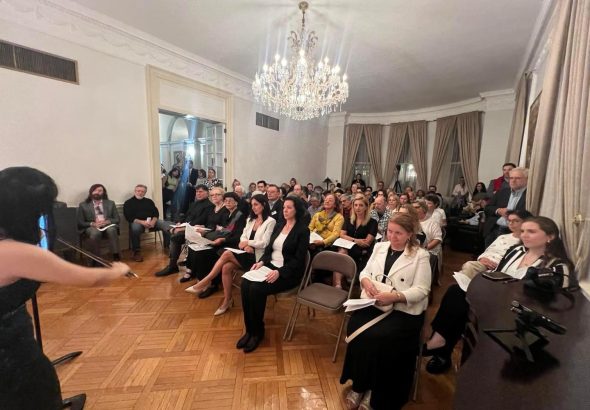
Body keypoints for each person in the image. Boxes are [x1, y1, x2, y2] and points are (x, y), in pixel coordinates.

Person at [0, 167, 130, 409]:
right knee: (35, 392)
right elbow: (90, 279)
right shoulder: (15, 251)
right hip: (8, 350)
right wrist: (118, 269)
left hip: (14, 330)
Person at [423, 216, 574, 374]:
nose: (524, 235)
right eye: (523, 231)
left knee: (459, 303)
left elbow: (552, 303)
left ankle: (441, 348)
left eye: (531, 231)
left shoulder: (557, 266)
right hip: (495, 298)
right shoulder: (516, 251)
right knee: (456, 292)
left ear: (550, 237)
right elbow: (496, 273)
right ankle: (440, 343)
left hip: (518, 313)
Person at [340, 214, 431, 410]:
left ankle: (376, 390)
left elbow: (422, 290)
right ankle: (360, 383)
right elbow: (365, 272)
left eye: (398, 233)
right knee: (355, 327)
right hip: (375, 303)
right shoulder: (380, 247)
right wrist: (366, 282)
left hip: (403, 309)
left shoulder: (420, 256)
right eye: (389, 231)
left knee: (382, 338)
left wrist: (395, 296)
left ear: (410, 234)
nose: (392, 236)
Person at [237, 197, 310, 353]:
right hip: (270, 266)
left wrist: (279, 272)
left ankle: (258, 333)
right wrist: (262, 262)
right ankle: (249, 330)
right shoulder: (280, 225)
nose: (285, 210)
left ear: (297, 210)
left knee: (256, 289)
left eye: (289, 207)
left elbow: (298, 260)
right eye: (284, 207)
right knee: (245, 284)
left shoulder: (303, 230)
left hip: (288, 273)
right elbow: (269, 250)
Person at [187, 194, 276, 315]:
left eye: (256, 205)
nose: (253, 207)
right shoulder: (250, 219)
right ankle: (227, 300)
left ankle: (205, 281)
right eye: (252, 205)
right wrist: (245, 245)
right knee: (226, 267)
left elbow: (265, 242)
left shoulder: (270, 221)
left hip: (258, 258)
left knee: (227, 254)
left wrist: (248, 243)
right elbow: (243, 236)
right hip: (246, 252)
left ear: (264, 205)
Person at [184, 191, 246, 297]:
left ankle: (212, 284)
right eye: (226, 201)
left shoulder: (239, 215)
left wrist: (223, 239)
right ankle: (201, 280)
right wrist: (207, 233)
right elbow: (219, 229)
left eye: (230, 201)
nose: (227, 202)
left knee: (206, 253)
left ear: (236, 202)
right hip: (222, 241)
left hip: (232, 244)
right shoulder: (227, 213)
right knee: (195, 250)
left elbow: (237, 236)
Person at [154, 184, 214, 277]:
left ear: (207, 193)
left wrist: (184, 227)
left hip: (195, 230)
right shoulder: (194, 204)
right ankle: (173, 230)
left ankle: (172, 266)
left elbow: (201, 221)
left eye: (201, 192)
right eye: (197, 192)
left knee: (175, 237)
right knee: (161, 222)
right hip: (184, 226)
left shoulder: (209, 206)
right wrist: (179, 222)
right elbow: (186, 215)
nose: (198, 194)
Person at [459, 210, 531, 278]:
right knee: (465, 271)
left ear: (526, 222)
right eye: (509, 220)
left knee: (469, 267)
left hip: (498, 269)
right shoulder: (502, 237)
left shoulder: (526, 242)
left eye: (516, 221)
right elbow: (488, 250)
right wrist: (482, 259)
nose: (511, 223)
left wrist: (497, 265)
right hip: (483, 263)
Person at [333, 195, 378, 289]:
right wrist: (356, 240)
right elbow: (342, 235)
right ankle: (338, 284)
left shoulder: (372, 222)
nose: (358, 208)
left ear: (366, 207)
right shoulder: (349, 219)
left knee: (341, 252)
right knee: (342, 251)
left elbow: (367, 242)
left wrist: (349, 239)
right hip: (347, 246)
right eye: (356, 205)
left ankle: (337, 284)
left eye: (361, 205)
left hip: (362, 250)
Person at [123, 184, 172, 262]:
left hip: (152, 221)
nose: (140, 193)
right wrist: (142, 222)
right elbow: (129, 217)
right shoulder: (128, 203)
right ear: (135, 191)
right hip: (138, 222)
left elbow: (156, 213)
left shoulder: (149, 201)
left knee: (167, 225)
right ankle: (136, 252)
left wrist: (153, 221)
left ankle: (167, 247)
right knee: (135, 229)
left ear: (145, 193)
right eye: (138, 191)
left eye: (142, 191)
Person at [483, 167, 528, 247]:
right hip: (494, 229)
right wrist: (498, 210)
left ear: (527, 179)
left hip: (514, 233)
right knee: (488, 253)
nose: (513, 180)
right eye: (511, 178)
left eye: (517, 178)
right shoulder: (502, 191)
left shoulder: (530, 196)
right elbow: (487, 208)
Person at [77, 183, 121, 262]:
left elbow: (117, 219)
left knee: (112, 230)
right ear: (91, 192)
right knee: (95, 233)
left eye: (100, 191)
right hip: (92, 226)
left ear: (103, 193)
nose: (97, 192)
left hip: (107, 225)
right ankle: (95, 258)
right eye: (95, 190)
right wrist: (93, 224)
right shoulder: (83, 205)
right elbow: (80, 222)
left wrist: (107, 221)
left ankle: (115, 254)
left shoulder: (110, 203)